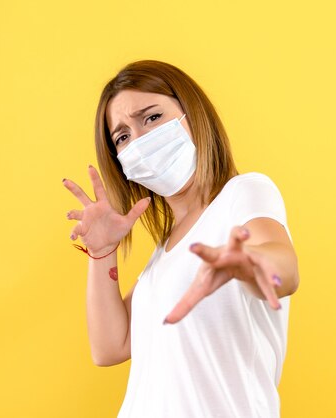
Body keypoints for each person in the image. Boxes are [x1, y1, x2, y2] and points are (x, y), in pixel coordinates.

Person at [62, 60, 299, 418]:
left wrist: (250, 264)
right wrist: (102, 253)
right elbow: (110, 346)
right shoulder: (165, 251)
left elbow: (284, 270)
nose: (139, 140)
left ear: (191, 113)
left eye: (152, 118)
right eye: (123, 137)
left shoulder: (244, 192)